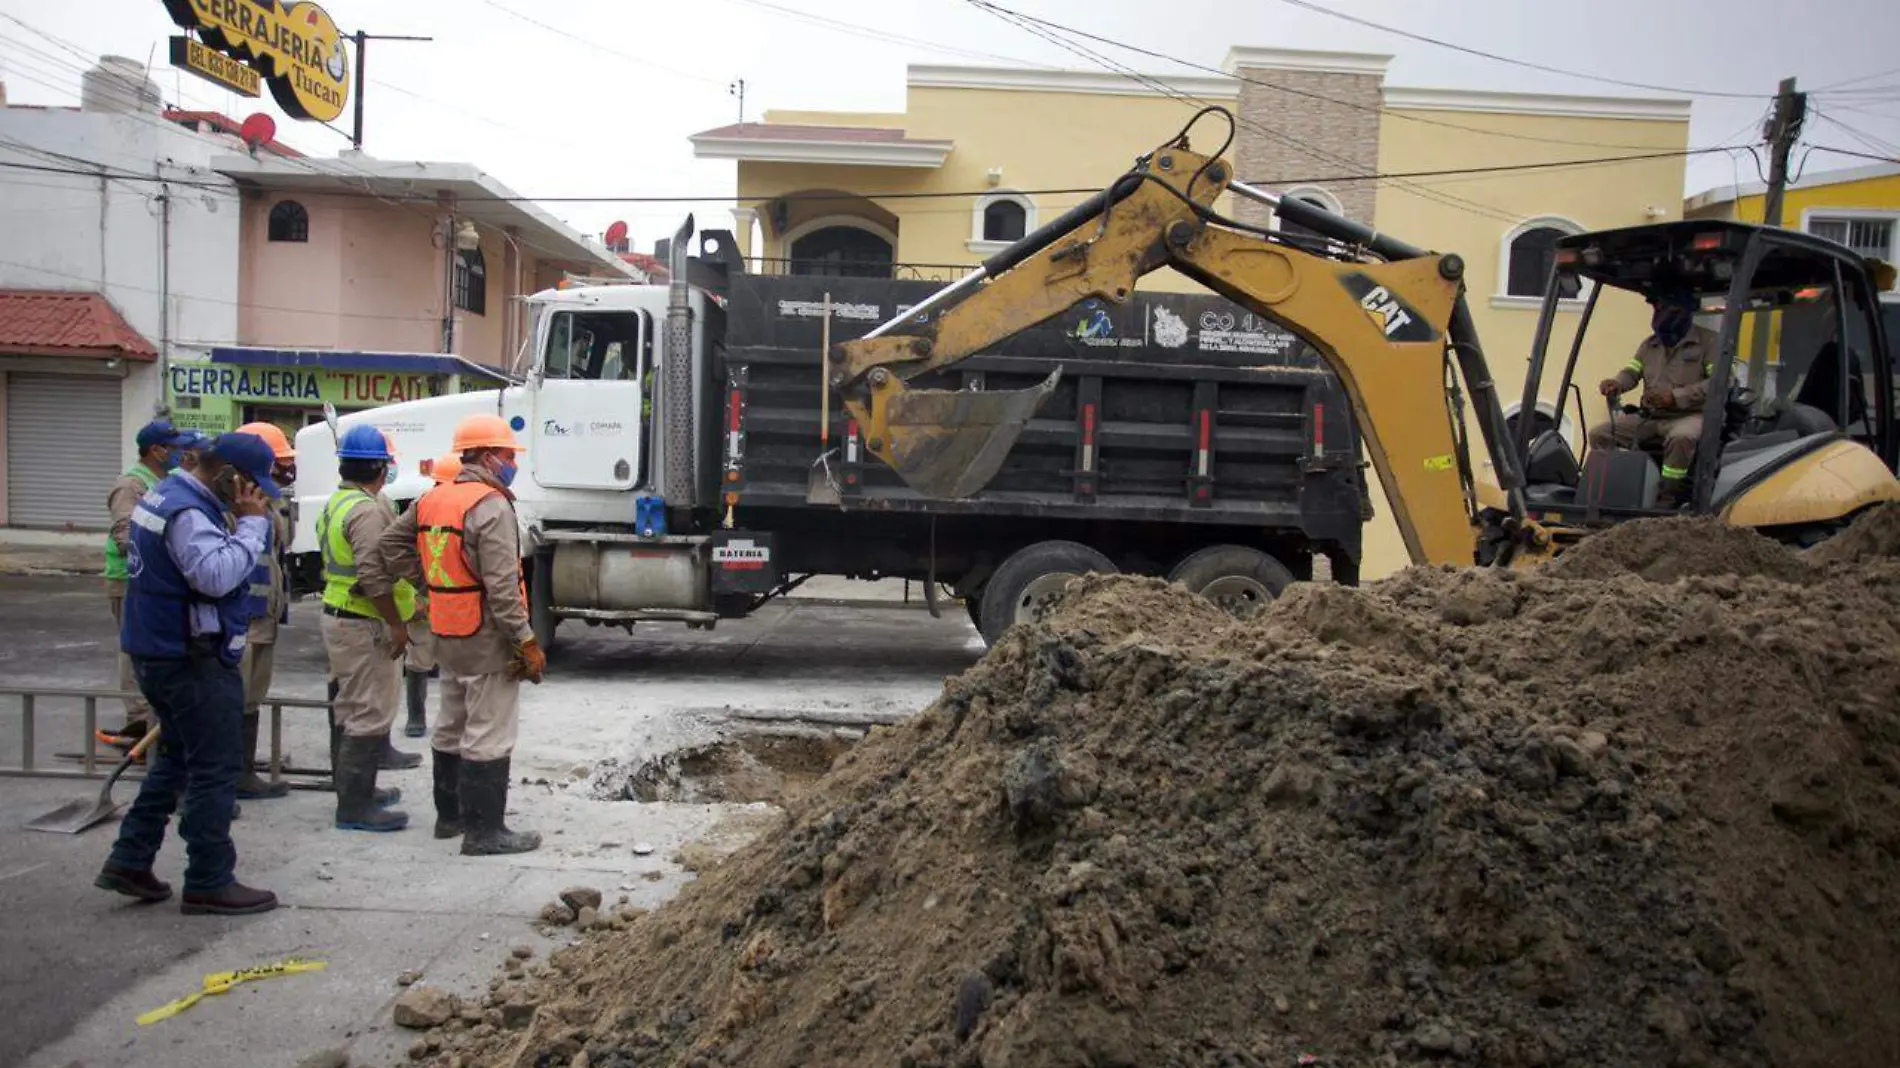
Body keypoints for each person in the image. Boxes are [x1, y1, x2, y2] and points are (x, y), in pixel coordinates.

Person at [95, 431, 281, 915]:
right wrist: (251, 527)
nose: (254, 496)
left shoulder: (164, 495)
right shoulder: (188, 512)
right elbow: (215, 576)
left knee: (174, 760)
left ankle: (130, 858)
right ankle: (208, 879)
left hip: (160, 651)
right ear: (226, 475)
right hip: (191, 657)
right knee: (215, 770)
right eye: (249, 485)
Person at [365, 414, 545, 856]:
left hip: (448, 627)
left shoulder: (435, 499)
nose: (512, 463)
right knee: (489, 729)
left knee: (451, 721)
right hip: (486, 635)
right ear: (487, 456)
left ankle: (450, 819)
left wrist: (433, 585)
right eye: (507, 455)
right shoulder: (491, 505)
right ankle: (485, 832)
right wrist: (525, 640)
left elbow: (389, 546)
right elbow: (503, 590)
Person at [317, 425, 421, 833]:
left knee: (351, 707)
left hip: (343, 613)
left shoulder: (338, 502)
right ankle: (354, 807)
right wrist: (395, 624)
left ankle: (355, 792)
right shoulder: (367, 510)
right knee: (368, 711)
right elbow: (375, 575)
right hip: (363, 620)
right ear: (380, 467)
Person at [100, 419, 193, 747]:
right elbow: (126, 534)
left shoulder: (164, 479)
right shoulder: (131, 485)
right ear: (156, 450)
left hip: (152, 580)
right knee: (134, 647)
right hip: (129, 579)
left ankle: (151, 715)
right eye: (175, 448)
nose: (180, 453)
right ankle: (138, 720)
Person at [1587, 289, 1716, 507]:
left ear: (1686, 311)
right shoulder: (1650, 345)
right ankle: (1614, 488)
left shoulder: (1709, 342)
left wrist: (1675, 397)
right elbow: (1631, 372)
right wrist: (1617, 383)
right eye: (1658, 309)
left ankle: (1667, 496)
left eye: (1668, 309)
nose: (1662, 314)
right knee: (1600, 434)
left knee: (1682, 438)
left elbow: (1720, 382)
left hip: (1691, 415)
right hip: (1651, 417)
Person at [231, 422, 298, 800]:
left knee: (251, 697)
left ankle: (242, 773)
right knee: (231, 699)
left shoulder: (265, 504)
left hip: (263, 616)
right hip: (241, 618)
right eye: (279, 463)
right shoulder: (229, 506)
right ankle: (220, 779)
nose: (284, 471)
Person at [401, 453, 463, 739]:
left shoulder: (424, 504)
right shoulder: (424, 507)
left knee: (423, 656)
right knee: (424, 656)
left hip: (438, 590)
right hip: (438, 592)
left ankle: (419, 718)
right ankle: (418, 718)